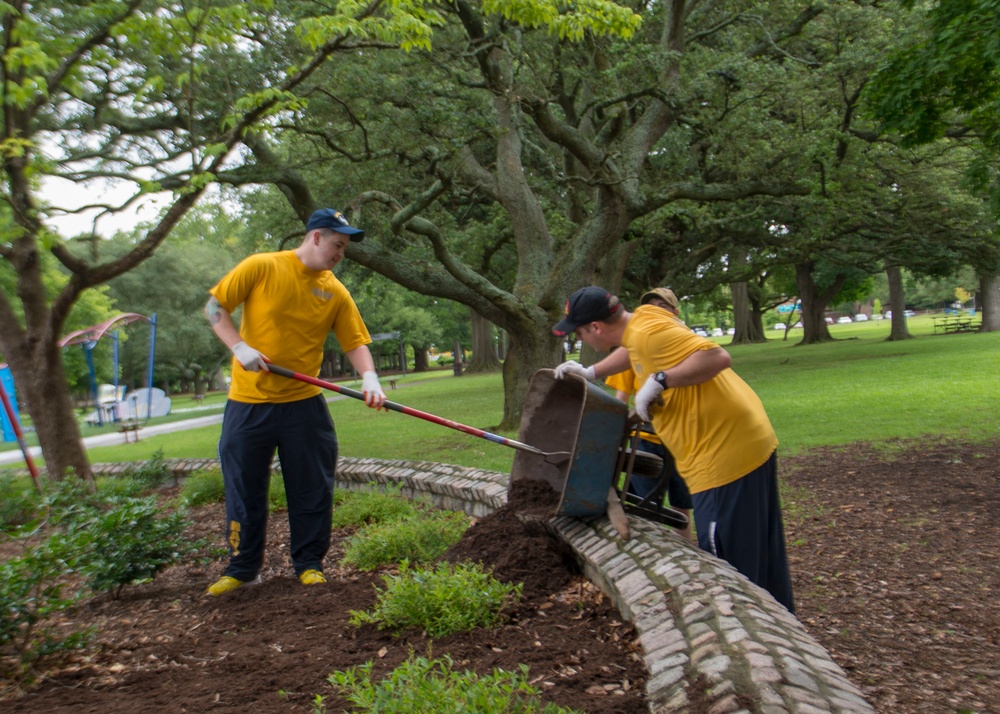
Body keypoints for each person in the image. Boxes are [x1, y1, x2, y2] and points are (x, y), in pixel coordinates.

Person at [552, 286, 794, 613]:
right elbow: (632, 351)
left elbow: (718, 357)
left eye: (580, 334)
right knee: (760, 547)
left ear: (596, 327)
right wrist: (591, 372)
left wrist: (662, 379)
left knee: (729, 562)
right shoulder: (642, 322)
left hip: (724, 452)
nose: (583, 342)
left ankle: (754, 635)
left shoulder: (648, 332)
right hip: (747, 438)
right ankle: (781, 619)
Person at [204, 208, 387, 597]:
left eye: (345, 248)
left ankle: (309, 565)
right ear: (316, 237)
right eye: (338, 244)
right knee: (243, 487)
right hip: (248, 403)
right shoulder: (261, 267)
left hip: (304, 404)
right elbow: (214, 307)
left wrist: (370, 377)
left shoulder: (334, 290)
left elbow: (354, 341)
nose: (341, 253)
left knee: (312, 488)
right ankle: (242, 568)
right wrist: (239, 346)